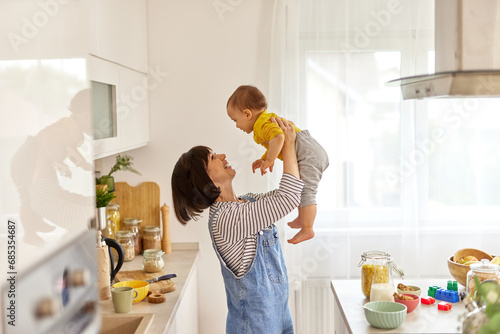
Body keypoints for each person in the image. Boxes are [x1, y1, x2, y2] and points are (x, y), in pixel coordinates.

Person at [171, 118, 303, 334]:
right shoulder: (225, 220)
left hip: (279, 315)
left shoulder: (246, 203)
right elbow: (288, 198)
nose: (222, 156)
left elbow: (289, 192)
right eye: (212, 157)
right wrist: (286, 144)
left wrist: (285, 147)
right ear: (205, 179)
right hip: (254, 327)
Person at [226, 85, 329, 244]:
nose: (236, 126)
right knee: (300, 187)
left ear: (247, 114)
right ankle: (302, 218)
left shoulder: (261, 125)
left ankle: (308, 228)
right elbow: (276, 142)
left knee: (307, 191)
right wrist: (265, 157)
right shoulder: (264, 121)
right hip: (309, 150)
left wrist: (270, 160)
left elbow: (279, 138)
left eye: (235, 120)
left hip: (308, 154)